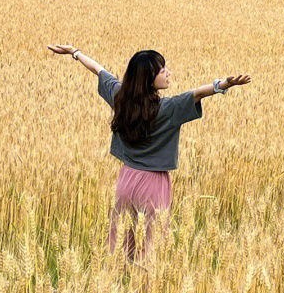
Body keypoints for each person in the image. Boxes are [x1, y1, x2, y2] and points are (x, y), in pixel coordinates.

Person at [48, 43, 250, 262]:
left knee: (121, 245)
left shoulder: (120, 98)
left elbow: (99, 69)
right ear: (148, 78)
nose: (168, 73)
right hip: (153, 183)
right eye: (161, 70)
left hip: (126, 180)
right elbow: (198, 93)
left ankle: (117, 291)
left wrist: (74, 53)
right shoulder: (168, 109)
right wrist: (223, 85)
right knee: (152, 248)